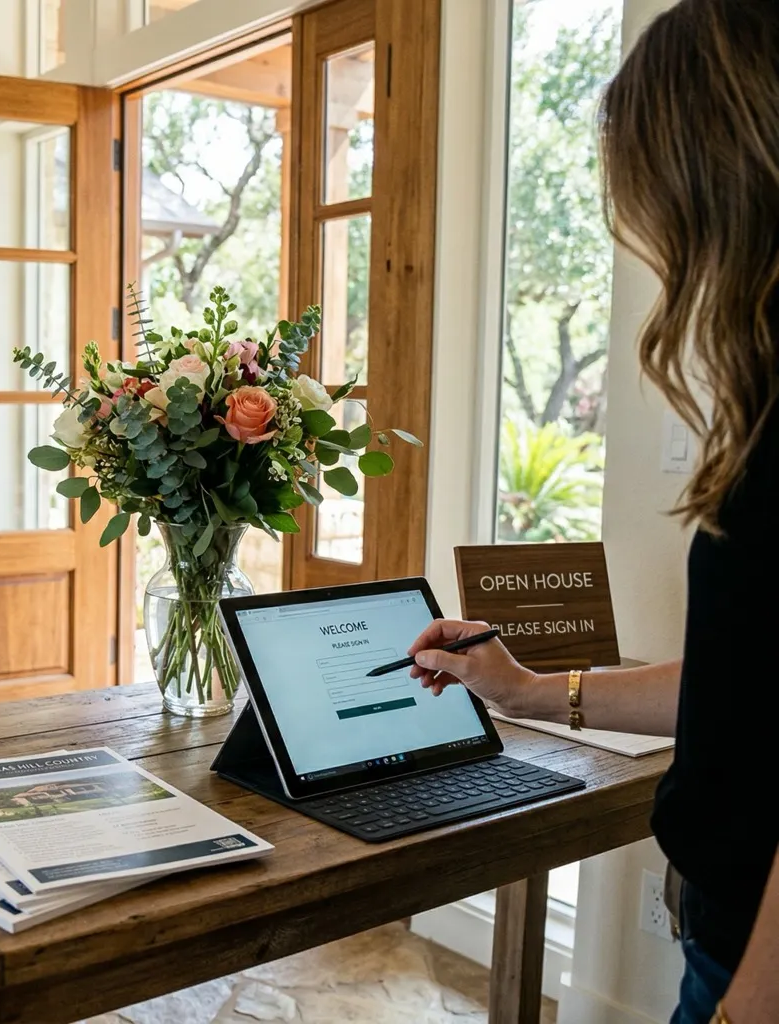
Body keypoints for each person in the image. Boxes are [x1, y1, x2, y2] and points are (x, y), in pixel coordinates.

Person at [404, 2, 779, 1022]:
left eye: (646, 197)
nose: (649, 240)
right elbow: (746, 689)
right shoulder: (764, 397)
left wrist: (750, 1002)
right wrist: (528, 691)